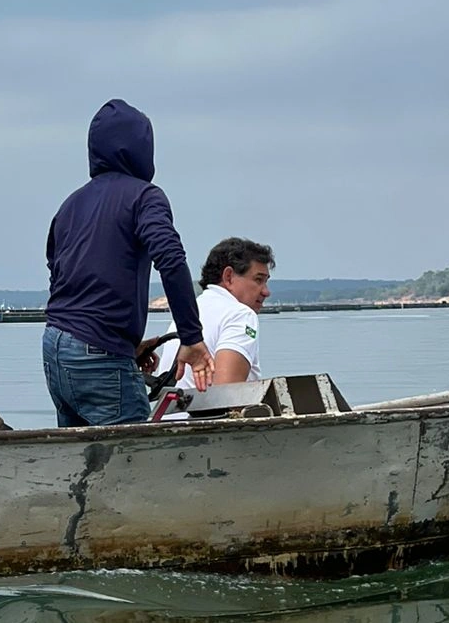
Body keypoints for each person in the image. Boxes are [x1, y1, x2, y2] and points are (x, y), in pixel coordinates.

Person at [42, 99, 213, 427]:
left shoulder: (70, 205)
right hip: (98, 352)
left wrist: (128, 345)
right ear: (144, 147)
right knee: (133, 454)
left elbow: (60, 275)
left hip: (55, 345)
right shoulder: (145, 196)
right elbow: (171, 259)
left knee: (78, 453)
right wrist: (191, 336)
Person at [154, 237, 275, 391]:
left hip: (171, 406)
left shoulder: (192, 312)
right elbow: (226, 393)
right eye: (259, 280)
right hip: (204, 407)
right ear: (228, 277)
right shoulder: (240, 314)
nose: (266, 292)